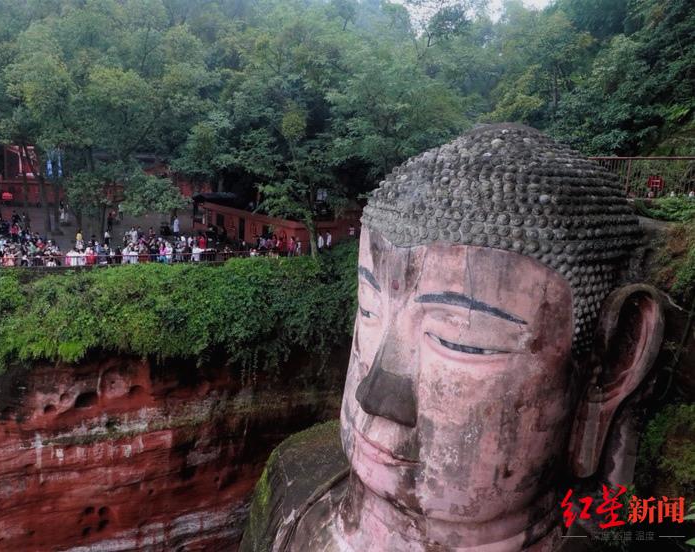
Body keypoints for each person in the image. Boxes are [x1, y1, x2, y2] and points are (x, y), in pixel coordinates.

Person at [244, 124, 664, 552]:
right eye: (368, 310)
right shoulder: (292, 488)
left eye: (460, 340)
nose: (373, 396)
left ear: (611, 365)